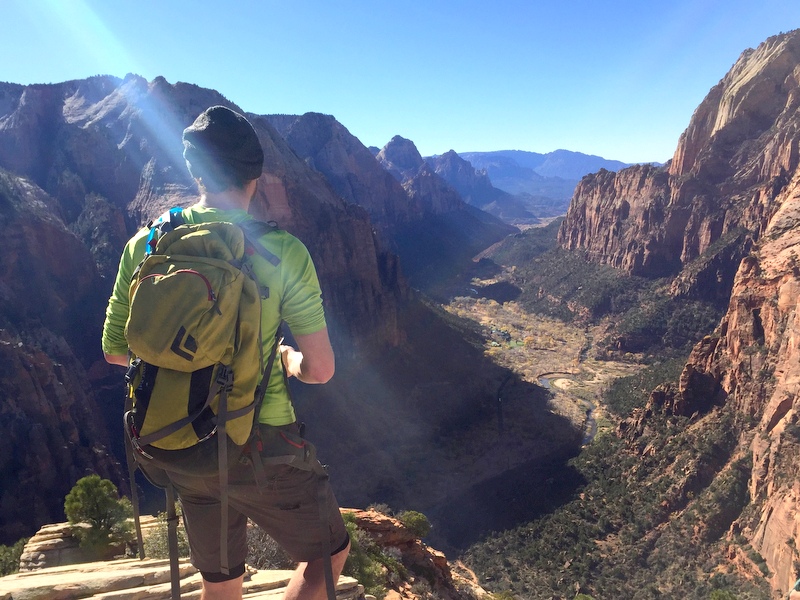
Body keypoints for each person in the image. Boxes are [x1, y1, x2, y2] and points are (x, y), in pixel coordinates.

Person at [101, 105, 350, 600]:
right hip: (262, 447)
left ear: (195, 170)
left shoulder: (146, 244)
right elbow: (320, 370)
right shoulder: (283, 252)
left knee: (220, 584)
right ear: (257, 174)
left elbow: (114, 351)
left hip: (181, 444)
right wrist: (286, 360)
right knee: (328, 552)